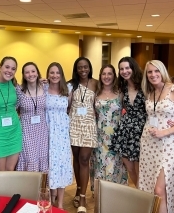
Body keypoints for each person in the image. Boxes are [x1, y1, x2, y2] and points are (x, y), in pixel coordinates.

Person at [139, 60, 174, 213]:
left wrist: (165, 131)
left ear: (163, 71)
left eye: (156, 71)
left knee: (160, 190)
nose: (153, 75)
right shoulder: (149, 91)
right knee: (149, 186)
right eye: (150, 72)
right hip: (148, 143)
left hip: (167, 144)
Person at [90, 64, 128, 191]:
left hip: (116, 137)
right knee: (100, 164)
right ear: (100, 76)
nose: (106, 77)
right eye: (104, 74)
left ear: (114, 76)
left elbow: (130, 111)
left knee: (115, 165)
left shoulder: (120, 93)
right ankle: (102, 195)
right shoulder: (96, 93)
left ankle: (116, 194)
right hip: (99, 137)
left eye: (109, 74)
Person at [67, 57, 98, 213]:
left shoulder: (95, 83)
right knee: (77, 159)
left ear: (89, 67)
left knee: (84, 159)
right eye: (80, 67)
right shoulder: (70, 84)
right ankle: (78, 190)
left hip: (89, 126)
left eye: (86, 67)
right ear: (76, 69)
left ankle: (83, 197)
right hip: (74, 125)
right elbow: (66, 105)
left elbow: (99, 103)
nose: (83, 70)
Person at [110, 56, 146, 187]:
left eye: (127, 68)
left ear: (133, 68)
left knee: (139, 168)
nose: (124, 71)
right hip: (125, 130)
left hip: (141, 130)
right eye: (121, 69)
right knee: (129, 167)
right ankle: (138, 190)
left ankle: (143, 197)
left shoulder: (144, 84)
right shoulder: (122, 86)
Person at [45, 62, 73, 210]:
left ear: (61, 74)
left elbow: (68, 109)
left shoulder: (68, 90)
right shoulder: (43, 89)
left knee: (61, 165)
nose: (55, 75)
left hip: (62, 134)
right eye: (52, 72)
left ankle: (60, 203)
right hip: (47, 132)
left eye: (57, 73)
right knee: (50, 165)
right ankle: (50, 199)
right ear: (48, 74)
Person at [16, 62, 48, 172]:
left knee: (42, 158)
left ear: (38, 73)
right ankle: (28, 188)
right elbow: (13, 109)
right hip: (26, 132)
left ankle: (41, 188)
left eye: (33, 71)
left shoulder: (45, 87)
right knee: (29, 158)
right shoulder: (19, 91)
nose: (31, 74)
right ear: (23, 75)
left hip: (42, 132)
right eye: (27, 72)